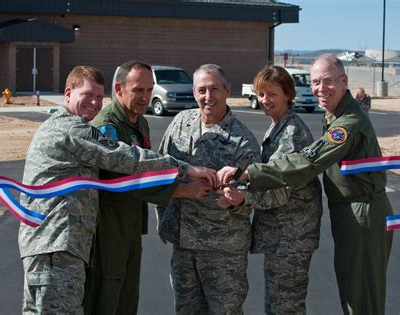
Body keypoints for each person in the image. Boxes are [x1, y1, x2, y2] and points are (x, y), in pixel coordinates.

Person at [18, 65, 217, 314]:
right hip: (56, 246)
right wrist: (186, 170)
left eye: (99, 97)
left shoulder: (67, 126)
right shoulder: (72, 130)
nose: (94, 103)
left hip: (55, 245)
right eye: (87, 95)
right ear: (68, 93)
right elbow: (124, 158)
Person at [218, 54, 394, 315]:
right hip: (350, 211)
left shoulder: (347, 123)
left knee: (362, 295)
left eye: (328, 81)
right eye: (315, 82)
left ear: (344, 81)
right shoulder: (337, 115)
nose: (320, 89)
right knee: (353, 291)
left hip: (362, 213)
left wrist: (248, 174)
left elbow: (305, 164)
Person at [85, 60, 192, 314]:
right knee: (106, 292)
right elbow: (120, 178)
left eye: (149, 89)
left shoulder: (138, 122)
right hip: (109, 225)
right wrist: (184, 190)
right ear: (119, 89)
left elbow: (148, 168)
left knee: (128, 294)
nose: (145, 97)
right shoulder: (106, 126)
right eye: (138, 90)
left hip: (131, 222)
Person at [156, 64, 263, 314]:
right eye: (202, 90)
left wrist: (239, 197)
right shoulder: (181, 122)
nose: (208, 96)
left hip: (223, 250)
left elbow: (259, 190)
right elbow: (162, 170)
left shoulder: (242, 140)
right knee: (186, 310)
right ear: (194, 93)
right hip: (183, 246)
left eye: (214, 89)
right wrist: (162, 217)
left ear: (227, 90)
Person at [218, 65, 323, 314]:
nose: (265, 100)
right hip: (283, 237)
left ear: (288, 94)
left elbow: (279, 189)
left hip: (290, 239)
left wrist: (242, 197)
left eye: (272, 94)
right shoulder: (278, 126)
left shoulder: (291, 133)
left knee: (284, 307)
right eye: (261, 94)